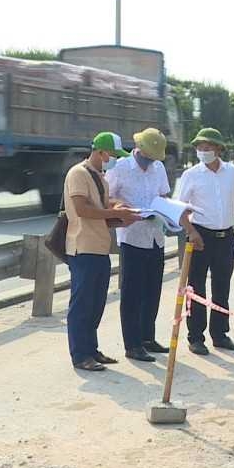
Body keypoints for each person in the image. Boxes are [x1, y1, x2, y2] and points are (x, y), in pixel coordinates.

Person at [64, 132, 141, 371]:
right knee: (82, 304)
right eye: (113, 155)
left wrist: (119, 212)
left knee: (96, 303)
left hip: (99, 247)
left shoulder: (100, 176)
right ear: (100, 152)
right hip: (83, 247)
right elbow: (82, 209)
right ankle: (80, 355)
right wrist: (116, 213)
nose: (115, 160)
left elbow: (100, 207)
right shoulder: (78, 173)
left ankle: (91, 349)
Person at [178, 128, 234, 355]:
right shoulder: (191, 175)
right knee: (197, 288)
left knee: (222, 286)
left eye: (208, 147)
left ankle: (220, 334)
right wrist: (191, 231)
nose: (203, 152)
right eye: (200, 148)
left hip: (225, 237)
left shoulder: (232, 172)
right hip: (200, 236)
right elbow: (180, 210)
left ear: (219, 149)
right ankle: (195, 337)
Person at [106, 128, 175, 363]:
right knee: (132, 293)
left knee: (152, 290)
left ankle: (147, 337)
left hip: (155, 236)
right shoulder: (121, 167)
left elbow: (164, 196)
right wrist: (123, 206)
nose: (152, 159)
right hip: (132, 237)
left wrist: (170, 214)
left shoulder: (158, 168)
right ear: (140, 149)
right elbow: (107, 197)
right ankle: (132, 344)